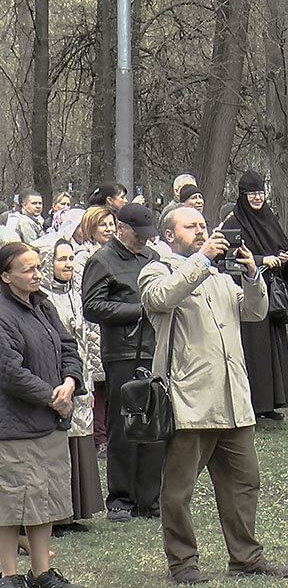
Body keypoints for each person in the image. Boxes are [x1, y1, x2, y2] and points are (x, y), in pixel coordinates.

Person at [139, 207, 288, 584]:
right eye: (190, 226)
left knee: (244, 484)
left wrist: (254, 275)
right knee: (178, 491)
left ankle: (245, 557)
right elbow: (161, 299)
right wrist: (200, 259)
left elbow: (254, 312)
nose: (200, 230)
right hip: (190, 399)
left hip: (233, 400)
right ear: (170, 235)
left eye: (203, 225)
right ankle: (183, 563)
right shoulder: (157, 270)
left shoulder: (218, 277)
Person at [0, 242, 85, 588]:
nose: (37, 274)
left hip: (50, 421)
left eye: (38, 267)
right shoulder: (3, 314)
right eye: (28, 269)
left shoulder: (43, 306)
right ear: (6, 276)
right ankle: (8, 574)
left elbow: (68, 346)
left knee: (44, 500)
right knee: (11, 501)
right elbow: (9, 370)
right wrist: (53, 397)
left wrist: (69, 382)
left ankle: (41, 571)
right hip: (16, 425)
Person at [80, 203, 162, 522]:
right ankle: (121, 498)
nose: (142, 241)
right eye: (138, 235)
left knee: (153, 422)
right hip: (123, 352)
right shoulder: (102, 260)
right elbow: (92, 306)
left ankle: (149, 497)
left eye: (147, 236)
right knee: (123, 423)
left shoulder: (153, 259)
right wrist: (137, 310)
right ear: (120, 228)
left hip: (155, 349)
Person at [41, 240, 103, 533]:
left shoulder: (76, 295)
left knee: (80, 441)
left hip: (80, 375)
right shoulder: (41, 300)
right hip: (56, 379)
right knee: (58, 447)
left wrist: (87, 378)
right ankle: (55, 517)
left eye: (70, 259)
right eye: (60, 259)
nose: (67, 264)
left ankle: (75, 510)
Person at [230, 172, 288, 421]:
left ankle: (270, 403)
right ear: (243, 196)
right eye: (252, 194)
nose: (257, 198)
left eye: (260, 193)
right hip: (248, 295)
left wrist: (285, 258)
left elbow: (281, 247)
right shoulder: (234, 222)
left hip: (272, 297)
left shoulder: (270, 220)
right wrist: (259, 261)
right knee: (253, 348)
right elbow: (228, 259)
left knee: (272, 348)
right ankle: (253, 403)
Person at [70, 207, 115, 453]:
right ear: (90, 228)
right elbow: (81, 295)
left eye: (111, 224)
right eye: (102, 225)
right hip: (92, 327)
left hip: (111, 326)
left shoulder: (117, 253)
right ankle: (100, 438)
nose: (108, 229)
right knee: (97, 389)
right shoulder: (82, 257)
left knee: (111, 387)